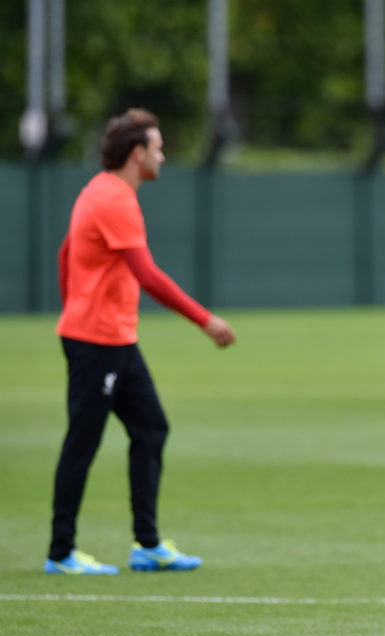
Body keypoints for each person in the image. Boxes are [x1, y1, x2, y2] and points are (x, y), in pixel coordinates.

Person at [46, 108, 236, 575]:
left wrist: (78, 303)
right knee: (83, 441)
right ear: (137, 153)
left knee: (151, 428)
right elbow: (146, 274)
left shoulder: (101, 190)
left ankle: (146, 544)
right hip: (97, 342)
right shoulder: (114, 199)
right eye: (157, 147)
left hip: (113, 339)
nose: (163, 156)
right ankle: (60, 553)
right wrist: (204, 320)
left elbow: (64, 253)